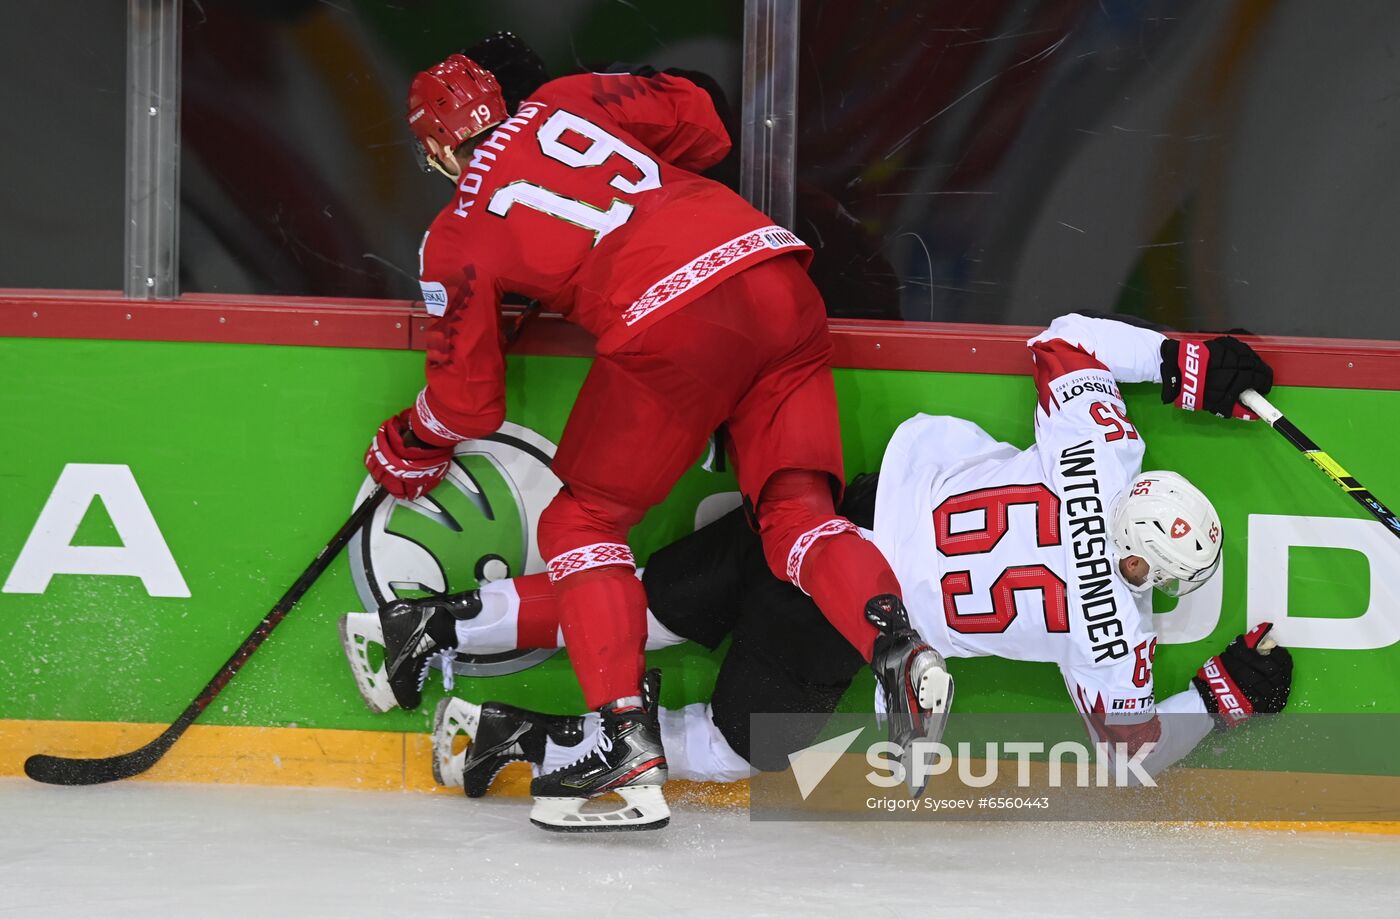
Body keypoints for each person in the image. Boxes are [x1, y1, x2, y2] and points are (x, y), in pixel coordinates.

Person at [342, 313, 1293, 798]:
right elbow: (1129, 752)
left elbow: (1069, 341)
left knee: (634, 605)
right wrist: (1218, 692)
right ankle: (514, 737)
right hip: (859, 615)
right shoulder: (1112, 631)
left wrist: (1182, 363)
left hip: (819, 518)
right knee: (739, 746)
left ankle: (436, 624)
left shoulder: (1099, 449)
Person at [354, 53, 946, 832]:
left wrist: (410, 441)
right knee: (799, 517)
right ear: (506, 100)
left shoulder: (457, 231)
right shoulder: (569, 99)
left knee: (581, 524)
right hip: (777, 277)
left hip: (677, 323)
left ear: (436, 150)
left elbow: (467, 401)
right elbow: (702, 119)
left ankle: (619, 742)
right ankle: (896, 642)